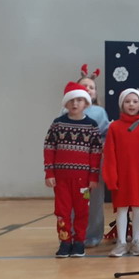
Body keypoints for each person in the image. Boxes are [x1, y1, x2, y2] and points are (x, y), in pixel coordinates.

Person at [44, 82, 102, 258]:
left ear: (86, 103)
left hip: (83, 181)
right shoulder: (58, 124)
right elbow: (49, 148)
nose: (75, 104)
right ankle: (65, 241)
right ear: (66, 103)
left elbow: (96, 153)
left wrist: (93, 177)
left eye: (79, 100)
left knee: (82, 211)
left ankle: (79, 242)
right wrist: (49, 173)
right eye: (71, 100)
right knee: (62, 211)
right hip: (61, 179)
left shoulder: (92, 126)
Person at [102, 88, 139, 257]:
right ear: (121, 104)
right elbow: (109, 153)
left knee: (138, 208)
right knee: (122, 209)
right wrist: (111, 176)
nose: (131, 105)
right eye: (127, 101)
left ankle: (136, 241)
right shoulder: (114, 127)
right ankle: (122, 242)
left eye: (135, 101)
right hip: (121, 176)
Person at [74, 65, 111, 248]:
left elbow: (106, 135)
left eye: (92, 87)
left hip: (94, 163)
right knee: (74, 200)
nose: (88, 89)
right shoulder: (66, 112)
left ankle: (93, 235)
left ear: (95, 93)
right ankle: (72, 234)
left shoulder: (99, 112)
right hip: (73, 164)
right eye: (84, 86)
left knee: (94, 201)